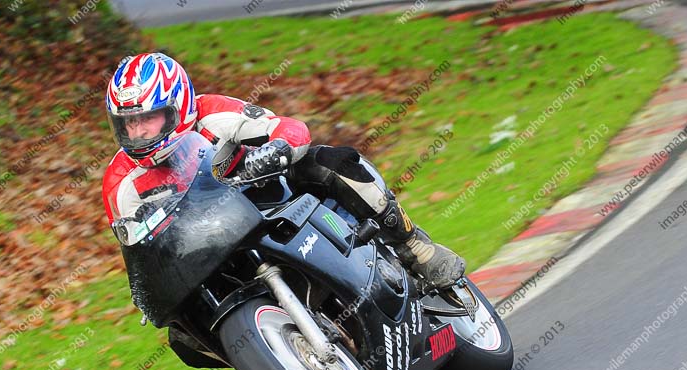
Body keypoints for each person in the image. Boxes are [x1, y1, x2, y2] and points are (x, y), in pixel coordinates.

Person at [102, 52, 465, 288]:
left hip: (263, 195)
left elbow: (289, 129)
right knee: (183, 340)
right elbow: (137, 254)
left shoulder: (212, 112)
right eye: (128, 123)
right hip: (206, 247)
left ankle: (414, 247)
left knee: (329, 163)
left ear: (177, 106)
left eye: (148, 118)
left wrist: (274, 151)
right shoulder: (121, 182)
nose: (138, 132)